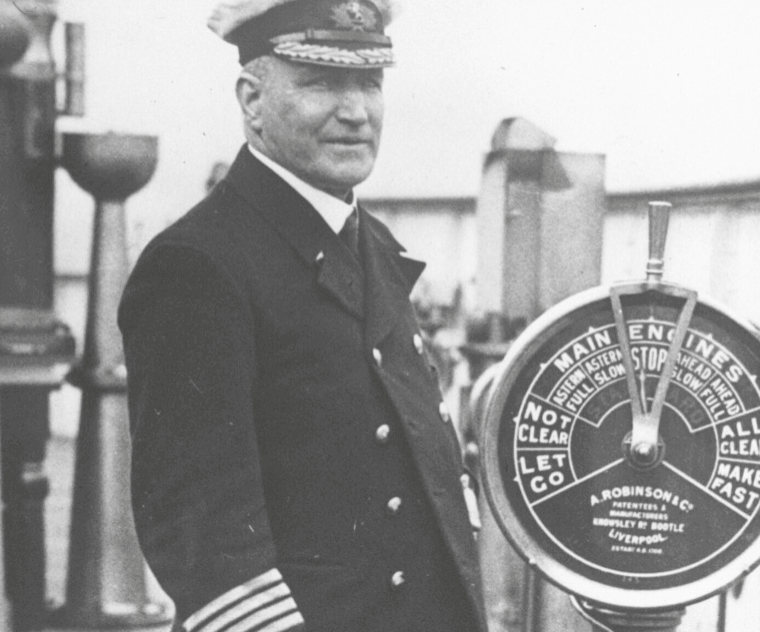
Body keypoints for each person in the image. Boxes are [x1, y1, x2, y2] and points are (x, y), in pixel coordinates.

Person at [117, 1, 486, 630]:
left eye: (369, 82)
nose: (355, 111)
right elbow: (206, 542)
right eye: (320, 82)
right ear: (252, 101)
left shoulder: (375, 248)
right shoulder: (199, 265)